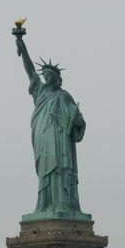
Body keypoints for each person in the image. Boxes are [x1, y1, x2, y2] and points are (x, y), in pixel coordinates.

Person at [15, 36, 88, 219]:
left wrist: (78, 121)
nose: (47, 78)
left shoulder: (64, 97)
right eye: (45, 76)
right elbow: (30, 71)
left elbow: (77, 120)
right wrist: (22, 46)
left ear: (58, 79)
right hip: (43, 137)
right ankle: (45, 205)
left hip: (60, 139)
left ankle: (63, 204)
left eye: (50, 76)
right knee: (46, 171)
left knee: (60, 170)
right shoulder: (40, 92)